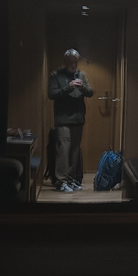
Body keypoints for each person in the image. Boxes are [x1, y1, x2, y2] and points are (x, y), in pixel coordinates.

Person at [48, 49, 93, 192]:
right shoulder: (55, 75)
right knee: (63, 149)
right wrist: (69, 87)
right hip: (62, 120)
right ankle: (61, 181)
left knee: (75, 151)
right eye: (70, 62)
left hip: (78, 119)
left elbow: (90, 92)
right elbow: (52, 94)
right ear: (65, 62)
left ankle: (71, 179)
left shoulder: (81, 75)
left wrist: (82, 87)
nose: (73, 65)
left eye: (75, 63)